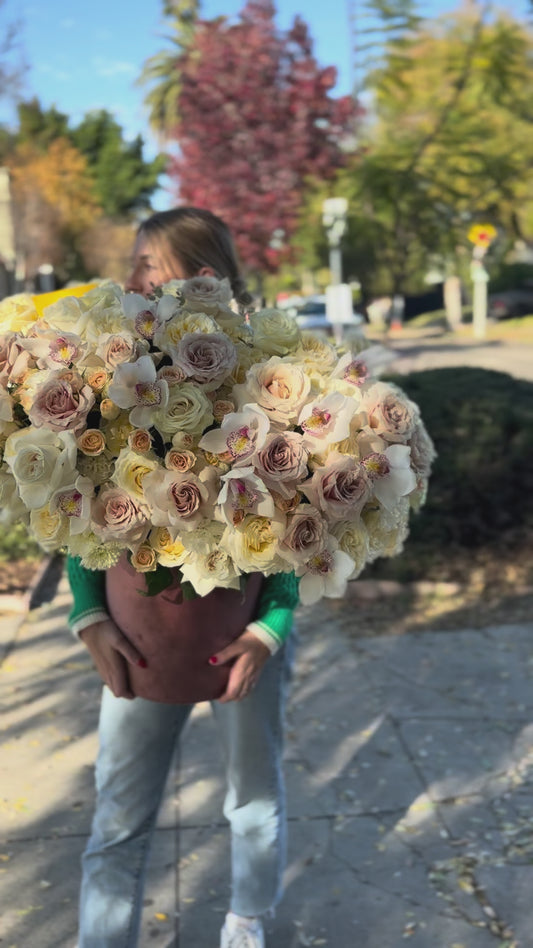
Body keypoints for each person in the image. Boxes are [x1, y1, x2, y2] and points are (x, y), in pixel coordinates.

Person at [67, 207, 299, 948]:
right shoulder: (110, 371)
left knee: (253, 800)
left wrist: (273, 627)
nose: (130, 278)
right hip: (136, 637)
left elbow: (306, 518)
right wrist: (87, 614)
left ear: (200, 279)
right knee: (117, 820)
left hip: (243, 636)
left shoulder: (270, 382)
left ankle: (247, 922)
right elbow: (79, 506)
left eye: (146, 264)